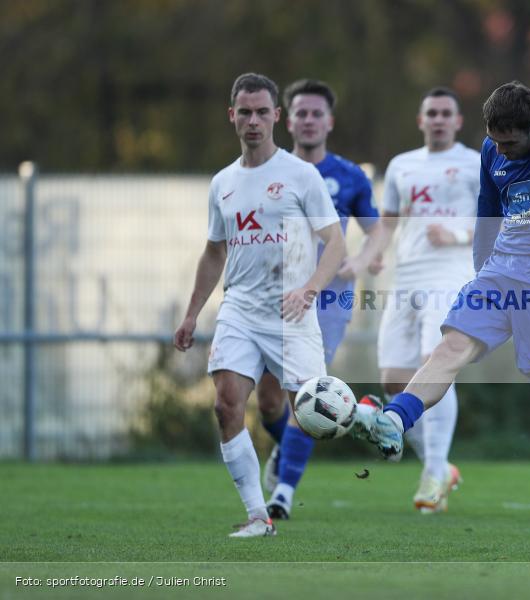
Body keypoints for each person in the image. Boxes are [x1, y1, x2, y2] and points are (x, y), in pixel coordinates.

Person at [353, 81, 530, 545]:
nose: (501, 149)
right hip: (500, 272)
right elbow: (488, 209)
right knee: (451, 346)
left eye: (510, 141)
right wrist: (482, 273)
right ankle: (394, 420)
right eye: (495, 140)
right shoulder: (491, 149)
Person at [173, 73, 345, 538]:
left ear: (277, 117)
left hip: (292, 314)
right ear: (232, 116)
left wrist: (309, 288)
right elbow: (214, 251)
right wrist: (191, 314)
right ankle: (257, 515)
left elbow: (335, 244)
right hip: (240, 309)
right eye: (244, 112)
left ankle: (363, 417)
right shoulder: (223, 183)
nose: (253, 121)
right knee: (227, 405)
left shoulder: (301, 175)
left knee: (310, 416)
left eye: (262, 112)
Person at [254, 79, 388, 520]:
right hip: (274, 297)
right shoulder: (264, 171)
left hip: (327, 300)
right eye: (301, 113)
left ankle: (283, 495)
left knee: (305, 392)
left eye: (316, 113)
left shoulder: (349, 176)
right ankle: (349, 421)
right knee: (270, 401)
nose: (308, 120)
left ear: (329, 121)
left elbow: (377, 231)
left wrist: (363, 260)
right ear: (285, 119)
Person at [377, 87, 480, 513]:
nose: (438, 119)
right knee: (391, 381)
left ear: (457, 121)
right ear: (421, 121)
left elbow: (500, 222)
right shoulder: (401, 165)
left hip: (451, 274)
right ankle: (439, 465)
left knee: (432, 362)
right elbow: (387, 221)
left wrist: (455, 235)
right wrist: (371, 254)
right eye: (431, 113)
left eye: (445, 113)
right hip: (407, 277)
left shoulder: (475, 163)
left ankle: (434, 473)